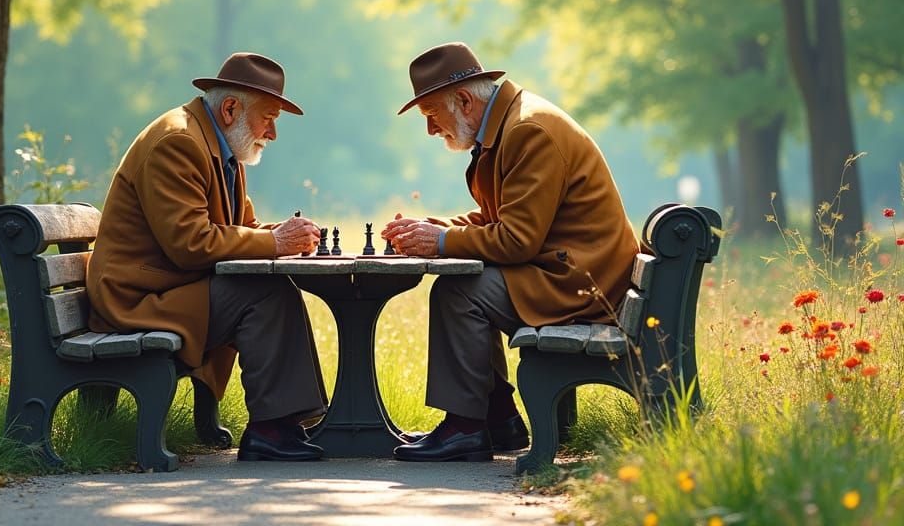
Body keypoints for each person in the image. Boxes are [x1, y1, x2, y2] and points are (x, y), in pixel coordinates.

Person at [382, 42, 639, 462]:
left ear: (464, 100)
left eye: (431, 116)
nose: (430, 130)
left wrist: (441, 241)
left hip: (581, 284)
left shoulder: (526, 131)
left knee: (460, 293)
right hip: (571, 272)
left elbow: (517, 240)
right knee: (463, 287)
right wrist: (433, 228)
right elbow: (499, 218)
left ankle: (467, 428)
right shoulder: (509, 125)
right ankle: (498, 421)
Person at [87, 52, 328, 461]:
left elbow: (243, 229)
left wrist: (285, 236)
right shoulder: (178, 142)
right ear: (231, 108)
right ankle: (274, 428)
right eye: (268, 118)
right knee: (264, 292)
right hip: (135, 299)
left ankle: (286, 422)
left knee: (269, 285)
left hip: (169, 287)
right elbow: (190, 244)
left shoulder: (218, 143)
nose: (271, 133)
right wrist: (274, 243)